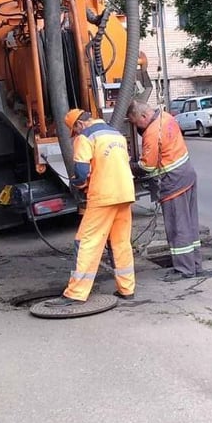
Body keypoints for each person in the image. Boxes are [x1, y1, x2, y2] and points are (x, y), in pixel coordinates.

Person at [46, 108, 137, 307]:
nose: (76, 134)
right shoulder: (116, 134)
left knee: (86, 242)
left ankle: (76, 293)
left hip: (103, 196)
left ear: (79, 124)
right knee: (120, 243)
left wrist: (78, 184)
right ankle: (127, 289)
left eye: (75, 131)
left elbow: (80, 171)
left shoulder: (85, 137)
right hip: (125, 194)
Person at [126, 99, 204, 280]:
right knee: (190, 223)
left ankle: (184, 269)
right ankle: (195, 265)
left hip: (173, 182)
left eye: (137, 123)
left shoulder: (151, 134)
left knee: (178, 227)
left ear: (144, 116)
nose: (138, 128)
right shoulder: (166, 117)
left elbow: (148, 167)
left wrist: (129, 165)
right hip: (187, 174)